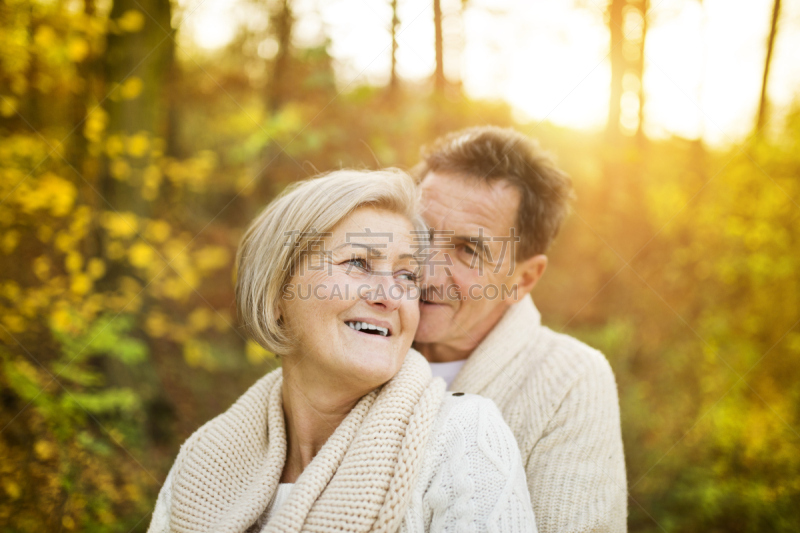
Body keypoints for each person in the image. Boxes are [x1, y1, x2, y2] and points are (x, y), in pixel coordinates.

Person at [147, 169, 537, 533]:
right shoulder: (200, 462)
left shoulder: (463, 436)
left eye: (406, 275)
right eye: (358, 263)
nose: (390, 297)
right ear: (277, 293)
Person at [412, 127, 628, 533]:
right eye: (420, 234)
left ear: (524, 278)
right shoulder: (361, 345)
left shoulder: (571, 381)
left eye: (468, 249)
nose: (426, 269)